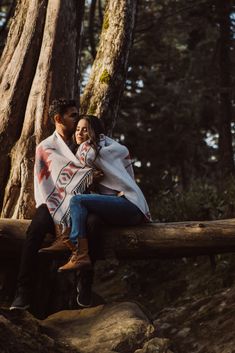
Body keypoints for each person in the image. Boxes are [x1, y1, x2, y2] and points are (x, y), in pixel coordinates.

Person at [10, 99, 102, 311]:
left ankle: (85, 280)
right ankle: (23, 291)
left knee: (94, 224)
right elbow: (45, 181)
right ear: (58, 119)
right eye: (72, 115)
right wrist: (85, 176)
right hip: (52, 201)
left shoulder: (82, 143)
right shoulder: (46, 147)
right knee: (35, 230)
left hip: (82, 201)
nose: (77, 119)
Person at [57, 115, 151, 272]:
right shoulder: (108, 148)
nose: (79, 133)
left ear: (94, 132)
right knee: (91, 221)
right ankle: (89, 267)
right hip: (124, 210)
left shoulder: (89, 150)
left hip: (129, 205)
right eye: (77, 129)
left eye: (85, 130)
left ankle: (76, 249)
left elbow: (72, 184)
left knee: (77, 200)